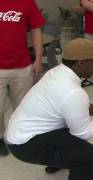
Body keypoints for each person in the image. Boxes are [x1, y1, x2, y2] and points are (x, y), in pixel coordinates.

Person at [5, 38, 93, 180]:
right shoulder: (73, 91)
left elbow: (75, 108)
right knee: (90, 157)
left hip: (18, 133)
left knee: (70, 125)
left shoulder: (57, 72)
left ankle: (59, 160)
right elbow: (85, 133)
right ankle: (57, 157)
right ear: (81, 62)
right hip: (24, 144)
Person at [0, 0, 45, 155]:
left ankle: (19, 137)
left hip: (21, 67)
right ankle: (0, 137)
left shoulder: (27, 2)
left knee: (22, 107)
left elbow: (36, 30)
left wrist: (38, 59)